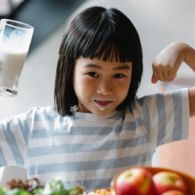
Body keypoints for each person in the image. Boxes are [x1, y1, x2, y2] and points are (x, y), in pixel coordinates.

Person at [0, 6, 194, 191]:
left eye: (119, 75)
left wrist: (184, 51)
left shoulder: (145, 117)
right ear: (70, 71)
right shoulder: (35, 125)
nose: (105, 89)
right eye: (93, 74)